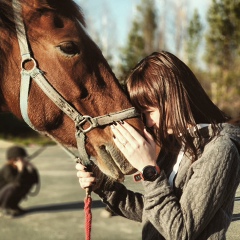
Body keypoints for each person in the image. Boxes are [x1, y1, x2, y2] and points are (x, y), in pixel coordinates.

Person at [76, 51, 240, 239]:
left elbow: (181, 231)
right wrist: (103, 185)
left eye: (148, 112)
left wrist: (149, 170)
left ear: (173, 98)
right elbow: (156, 213)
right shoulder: (176, 144)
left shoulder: (219, 149)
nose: (148, 122)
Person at [0, 145, 39, 217]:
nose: (24, 160)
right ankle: (3, 208)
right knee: (13, 186)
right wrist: (20, 170)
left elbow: (34, 181)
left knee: (27, 183)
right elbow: (16, 183)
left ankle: (13, 205)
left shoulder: (23, 168)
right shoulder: (7, 168)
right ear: (14, 159)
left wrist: (33, 169)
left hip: (5, 193)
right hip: (1, 194)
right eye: (22, 158)